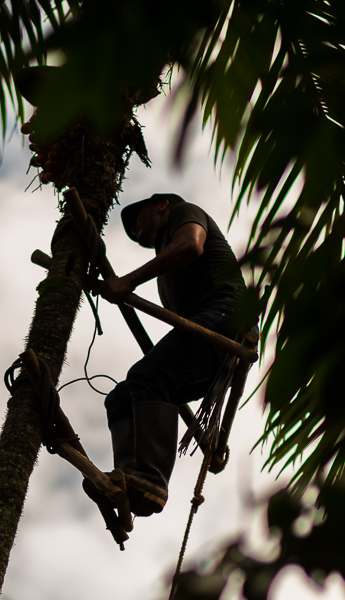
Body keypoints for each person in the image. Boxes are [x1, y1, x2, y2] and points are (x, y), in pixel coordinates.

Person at [96, 192, 246, 516]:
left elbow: (191, 246)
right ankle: (129, 481)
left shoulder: (184, 213)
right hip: (211, 343)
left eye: (137, 219)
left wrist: (128, 281)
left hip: (226, 318)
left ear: (162, 205)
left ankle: (151, 479)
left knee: (148, 376)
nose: (134, 230)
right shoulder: (168, 271)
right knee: (121, 399)